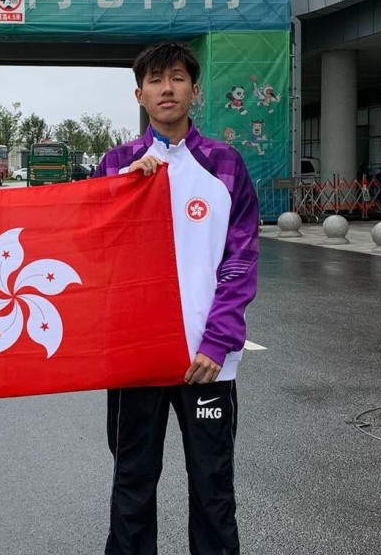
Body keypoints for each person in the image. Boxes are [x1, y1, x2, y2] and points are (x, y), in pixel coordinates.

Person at [94, 42, 259, 555]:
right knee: (132, 485)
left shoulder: (225, 163)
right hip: (137, 360)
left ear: (195, 89)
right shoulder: (118, 163)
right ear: (139, 94)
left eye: (178, 78)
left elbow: (241, 258)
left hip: (207, 362)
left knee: (213, 490)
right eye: (156, 80)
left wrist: (217, 342)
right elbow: (92, 250)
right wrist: (123, 194)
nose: (168, 89)